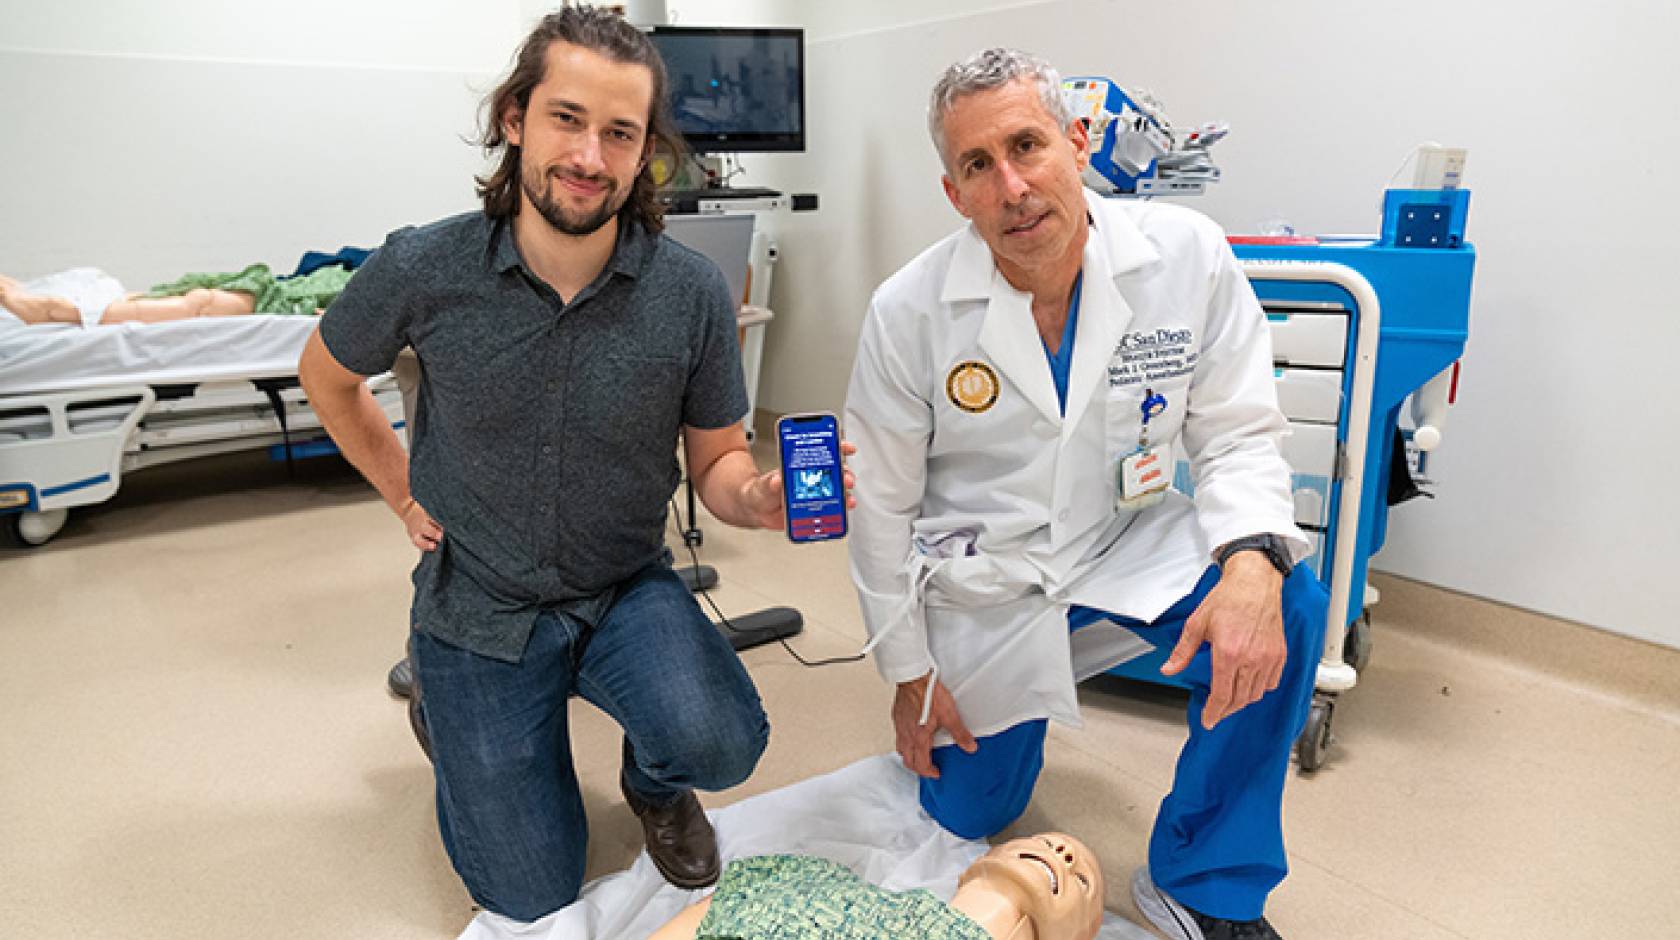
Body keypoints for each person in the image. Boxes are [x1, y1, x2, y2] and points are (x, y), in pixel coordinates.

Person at [298, 6, 833, 925]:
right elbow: (328, 374)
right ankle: (444, 703)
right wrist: (401, 494)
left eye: (619, 133)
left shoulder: (692, 292)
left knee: (722, 741)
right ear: (516, 118)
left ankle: (655, 785)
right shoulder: (425, 266)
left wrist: (760, 497)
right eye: (566, 119)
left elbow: (717, 465)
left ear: (645, 152)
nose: (589, 156)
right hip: (481, 601)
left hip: (624, 587)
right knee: (530, 891)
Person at [844, 48, 1329, 940]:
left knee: (1286, 598)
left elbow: (1236, 431)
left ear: (1077, 143)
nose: (1013, 186)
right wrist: (908, 672)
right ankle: (995, 733)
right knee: (964, 815)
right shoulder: (907, 312)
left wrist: (1253, 559)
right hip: (985, 577)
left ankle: (1203, 879)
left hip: (1122, 540)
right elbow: (878, 505)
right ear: (954, 195)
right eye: (978, 167)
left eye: (1028, 146)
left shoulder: (1185, 257)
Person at [647, 832, 1104, 940]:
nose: (1062, 855)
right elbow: (701, 916)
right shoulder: (817, 878)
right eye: (1043, 840)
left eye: (1081, 878)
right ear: (977, 863)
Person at [0, 263, 352, 326]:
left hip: (286, 297)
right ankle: (59, 307)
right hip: (283, 291)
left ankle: (63, 310)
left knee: (201, 301)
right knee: (198, 298)